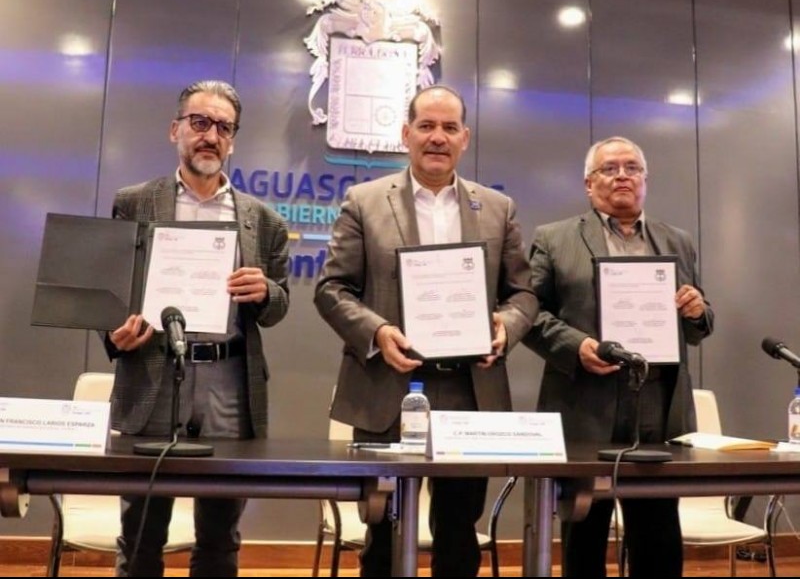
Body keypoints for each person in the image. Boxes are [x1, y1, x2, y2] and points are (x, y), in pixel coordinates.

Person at [314, 85, 538, 577]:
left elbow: (524, 294)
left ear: (465, 138)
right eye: (427, 126)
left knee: (459, 537)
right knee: (384, 537)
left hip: (470, 393)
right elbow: (332, 289)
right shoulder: (364, 201)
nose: (438, 137)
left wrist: (506, 327)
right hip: (388, 388)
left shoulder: (497, 208)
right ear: (406, 134)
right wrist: (377, 332)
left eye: (449, 128)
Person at [102, 79, 290, 577]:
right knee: (141, 535)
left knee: (220, 538)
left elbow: (278, 306)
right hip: (154, 374)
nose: (211, 136)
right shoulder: (134, 202)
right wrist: (113, 335)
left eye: (224, 127)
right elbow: (111, 291)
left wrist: (265, 292)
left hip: (229, 386)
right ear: (175, 130)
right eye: (200, 122)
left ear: (233, 140)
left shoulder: (263, 220)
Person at [523, 136, 714, 577]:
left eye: (632, 168)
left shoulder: (677, 240)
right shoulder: (554, 238)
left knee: (658, 534)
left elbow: (697, 326)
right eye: (609, 169)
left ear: (645, 179)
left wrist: (697, 310)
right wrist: (576, 346)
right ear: (588, 184)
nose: (622, 176)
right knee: (585, 533)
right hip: (585, 402)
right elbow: (529, 313)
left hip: (658, 406)